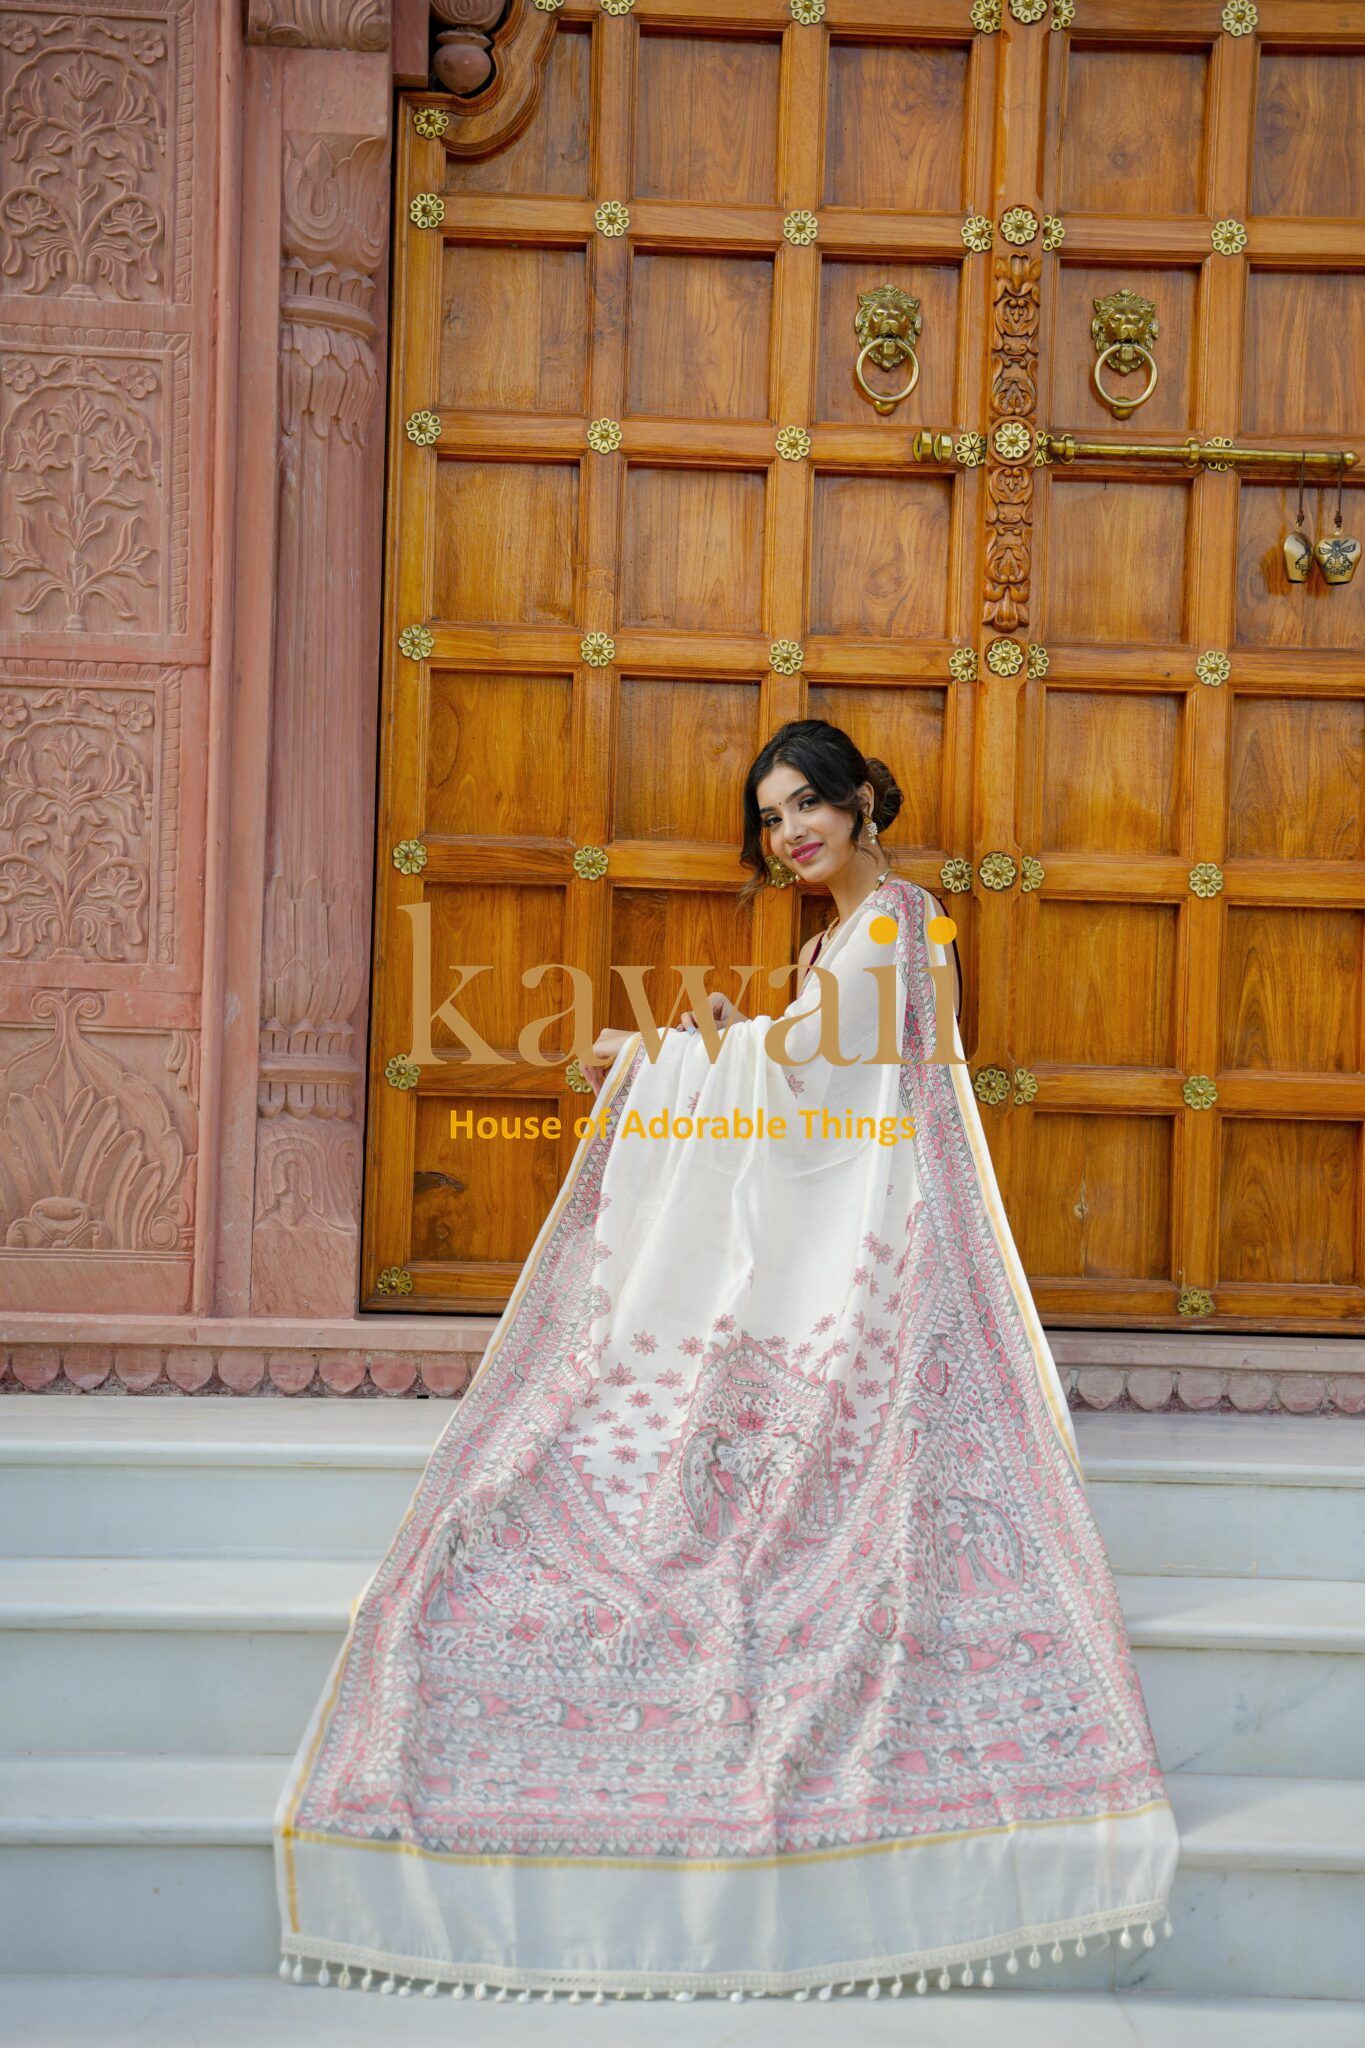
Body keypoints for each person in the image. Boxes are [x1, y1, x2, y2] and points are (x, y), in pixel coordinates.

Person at [274, 718, 1178, 2002]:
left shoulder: (901, 921)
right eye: (771, 816)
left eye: (808, 803)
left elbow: (831, 1086)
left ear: (863, 802)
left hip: (889, 1237)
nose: (790, 831)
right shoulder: (836, 937)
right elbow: (811, 1075)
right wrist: (718, 1034)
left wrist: (662, 1054)